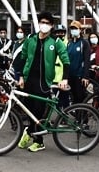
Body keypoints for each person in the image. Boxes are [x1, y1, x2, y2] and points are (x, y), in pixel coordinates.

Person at [17, 11, 70, 153]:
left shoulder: (56, 42)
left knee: (39, 113)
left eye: (47, 23)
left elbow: (66, 61)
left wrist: (64, 79)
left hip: (44, 83)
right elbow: (22, 58)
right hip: (29, 81)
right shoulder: (30, 39)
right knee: (29, 112)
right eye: (42, 22)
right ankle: (29, 133)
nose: (44, 25)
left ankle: (39, 142)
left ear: (52, 26)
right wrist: (20, 76)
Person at [66, 20, 91, 104]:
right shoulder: (69, 43)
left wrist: (85, 76)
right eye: (72, 28)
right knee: (73, 100)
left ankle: (83, 116)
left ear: (80, 30)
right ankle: (77, 116)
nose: (73, 30)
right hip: (70, 76)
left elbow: (87, 60)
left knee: (80, 99)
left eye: (75, 28)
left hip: (79, 77)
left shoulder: (84, 43)